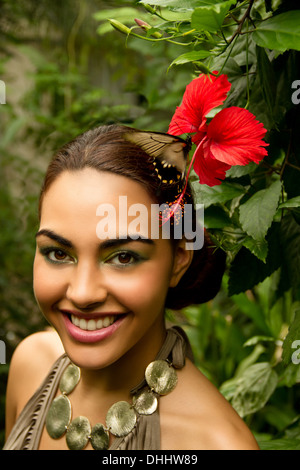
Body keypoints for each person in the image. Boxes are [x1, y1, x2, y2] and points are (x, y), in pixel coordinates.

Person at [4, 124, 259, 450]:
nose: (82, 294)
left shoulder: (216, 443)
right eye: (59, 253)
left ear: (179, 258)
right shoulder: (31, 365)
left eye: (123, 257)